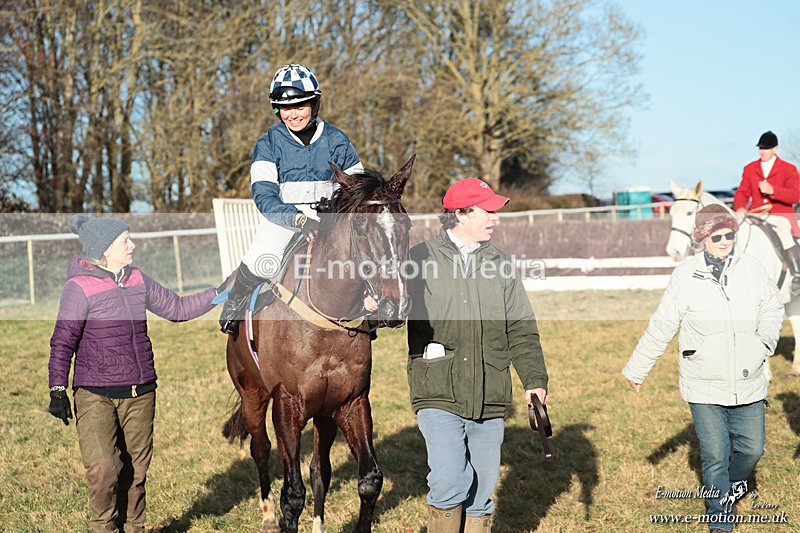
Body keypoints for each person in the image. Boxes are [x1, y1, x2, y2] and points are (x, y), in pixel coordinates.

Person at [48, 214, 220, 533]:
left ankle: (134, 528)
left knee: (135, 474)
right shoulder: (79, 287)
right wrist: (57, 389)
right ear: (106, 249)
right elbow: (63, 340)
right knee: (105, 470)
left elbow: (177, 309)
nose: (133, 245)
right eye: (126, 241)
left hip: (140, 393)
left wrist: (221, 292)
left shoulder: (137, 278)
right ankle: (104, 527)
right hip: (94, 394)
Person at [622, 205, 784, 532]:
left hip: (748, 378)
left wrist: (763, 344)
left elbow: (772, 308)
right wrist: (637, 368)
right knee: (714, 457)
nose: (725, 241)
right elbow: (662, 325)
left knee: (753, 449)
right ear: (702, 238)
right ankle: (720, 521)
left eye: (730, 234)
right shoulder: (685, 276)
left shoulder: (752, 267)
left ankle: (733, 483)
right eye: (717, 235)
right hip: (703, 382)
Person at [406, 178, 549, 533]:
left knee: (482, 488)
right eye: (489, 211)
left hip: (491, 390)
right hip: (439, 387)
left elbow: (521, 327)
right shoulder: (419, 259)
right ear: (460, 214)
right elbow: (389, 311)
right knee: (450, 478)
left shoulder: (501, 263)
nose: (495, 218)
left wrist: (534, 380)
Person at [219, 63, 375, 336]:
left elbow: (358, 189)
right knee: (259, 258)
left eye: (300, 106)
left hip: (331, 219)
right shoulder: (267, 143)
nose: (293, 114)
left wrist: (335, 214)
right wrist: (297, 218)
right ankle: (234, 304)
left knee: (365, 254)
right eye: (285, 108)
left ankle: (369, 314)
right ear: (277, 109)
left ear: (314, 104)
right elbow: (264, 195)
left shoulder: (337, 140)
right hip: (285, 219)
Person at [733, 130, 800, 294]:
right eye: (761, 148)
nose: (762, 151)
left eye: (766, 148)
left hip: (780, 214)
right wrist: (740, 207)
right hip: (755, 214)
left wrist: (773, 191)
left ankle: (797, 274)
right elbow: (742, 192)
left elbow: (796, 195)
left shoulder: (789, 169)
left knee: (784, 229)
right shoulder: (749, 169)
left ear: (775, 149)